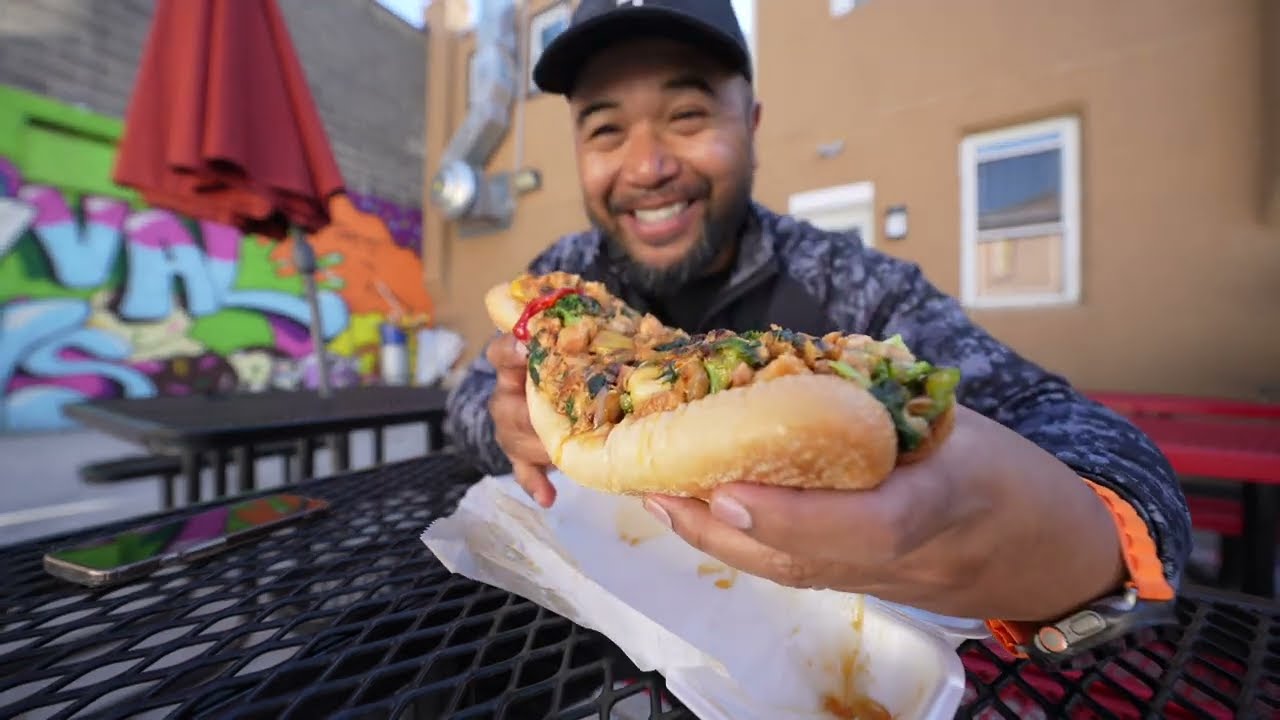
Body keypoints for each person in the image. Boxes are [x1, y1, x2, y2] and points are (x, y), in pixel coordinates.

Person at [444, 0, 1191, 663]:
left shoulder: (848, 282)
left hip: (822, 665)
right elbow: (467, 398)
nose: (647, 166)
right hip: (587, 640)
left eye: (688, 115)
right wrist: (508, 424)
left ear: (751, 125)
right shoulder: (563, 285)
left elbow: (1083, 435)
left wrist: (1056, 548)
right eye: (607, 129)